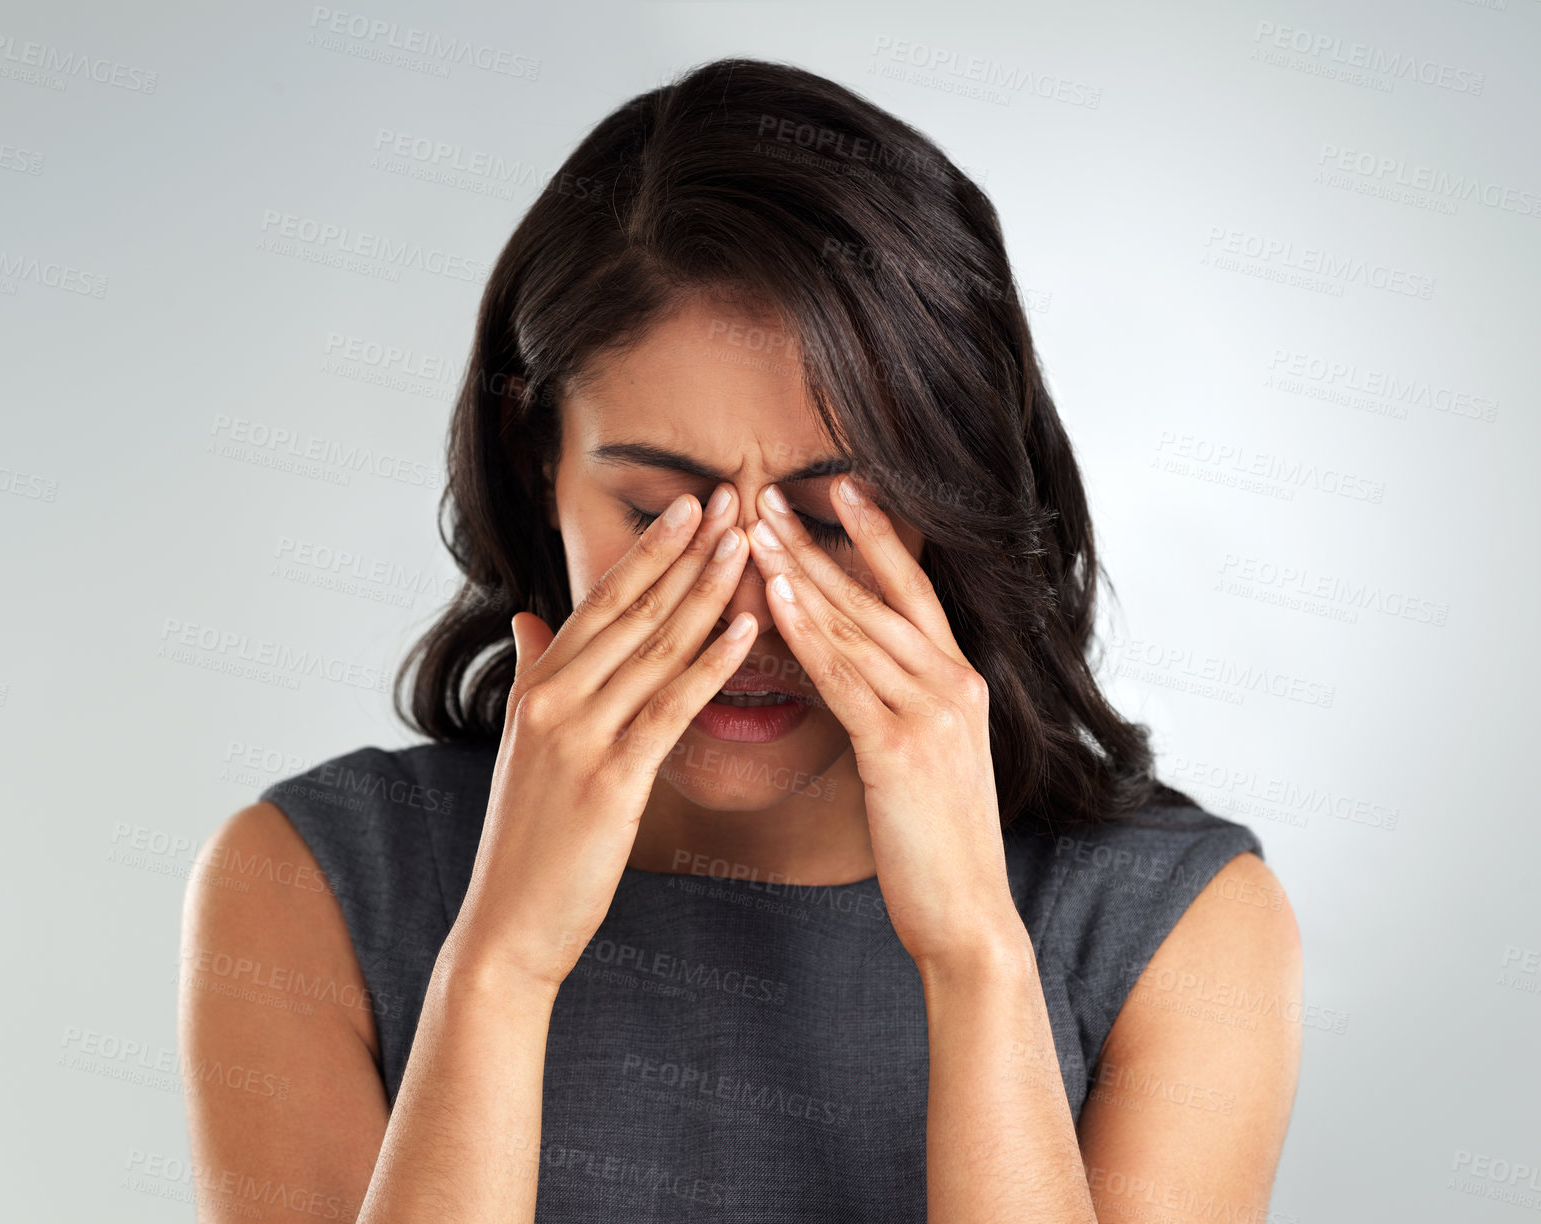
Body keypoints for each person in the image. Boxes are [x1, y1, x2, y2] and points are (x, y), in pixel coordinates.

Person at [180, 57, 1301, 1224]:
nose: (749, 611)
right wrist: (501, 965)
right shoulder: (303, 884)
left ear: (951, 497)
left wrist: (976, 957)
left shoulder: (1180, 927)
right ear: (536, 459)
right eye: (664, 518)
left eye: (826, 523)